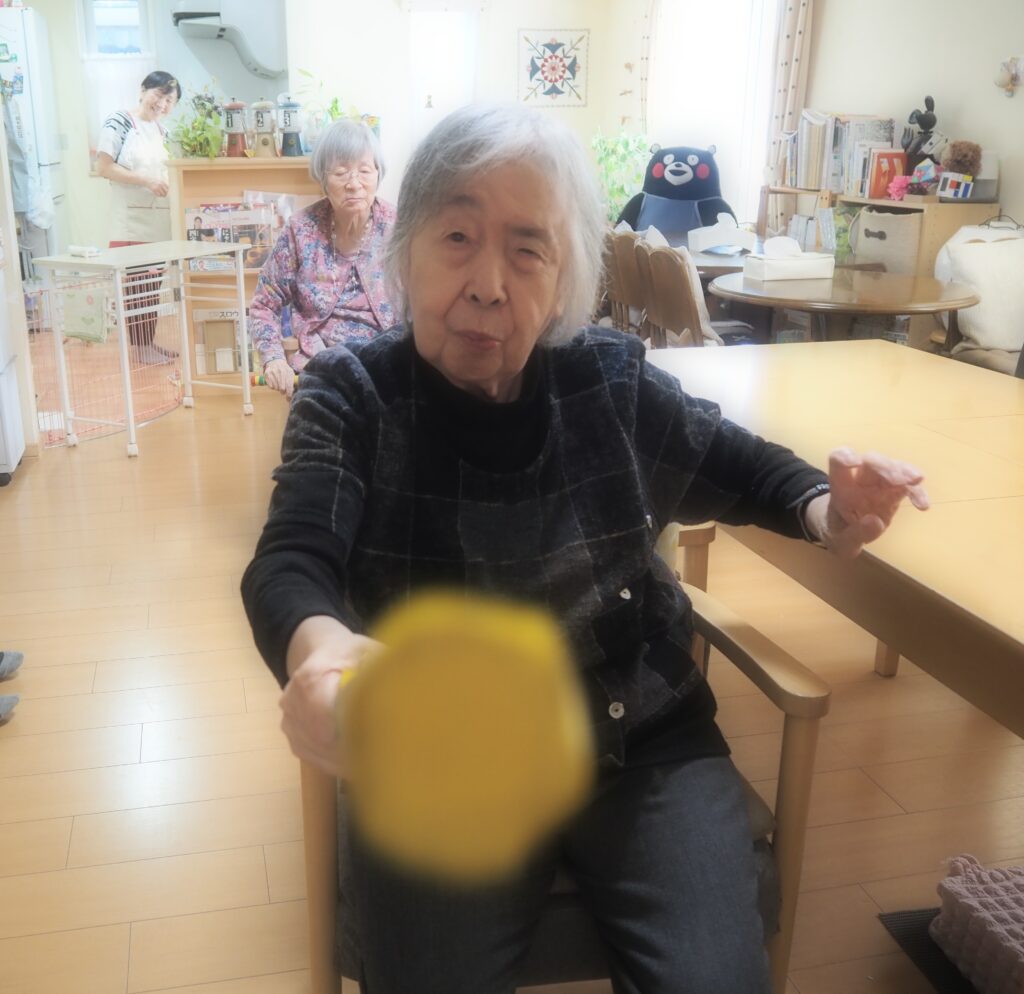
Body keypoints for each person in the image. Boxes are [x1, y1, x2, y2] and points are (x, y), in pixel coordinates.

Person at [241, 105, 930, 994]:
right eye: (458, 236)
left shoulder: (606, 374)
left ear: (564, 278)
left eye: (528, 249)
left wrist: (828, 508)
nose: (490, 284)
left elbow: (736, 463)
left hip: (640, 740)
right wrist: (322, 649)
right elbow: (291, 558)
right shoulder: (352, 393)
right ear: (404, 252)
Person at [248, 119, 397, 399]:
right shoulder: (301, 230)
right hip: (321, 367)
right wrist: (274, 358)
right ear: (323, 180)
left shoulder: (400, 229)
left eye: (365, 170)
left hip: (385, 366)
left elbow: (427, 302)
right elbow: (264, 303)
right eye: (341, 172)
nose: (354, 184)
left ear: (378, 174)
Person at [95, 70, 181, 366]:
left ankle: (147, 343)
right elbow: (103, 167)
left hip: (158, 221)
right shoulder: (120, 122)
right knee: (137, 287)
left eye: (170, 101)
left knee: (152, 286)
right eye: (159, 95)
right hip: (131, 222)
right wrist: (145, 180)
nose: (162, 104)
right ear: (143, 91)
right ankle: (141, 349)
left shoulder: (162, 132)